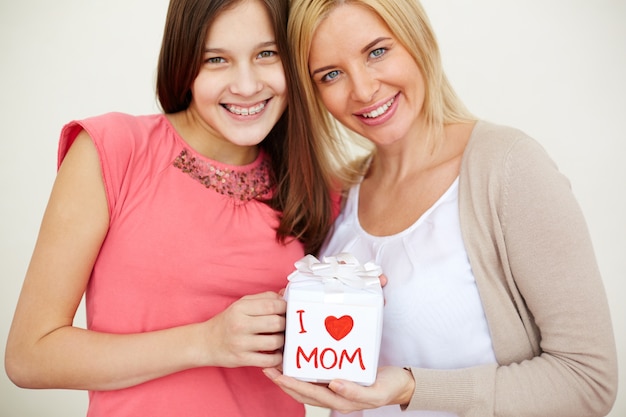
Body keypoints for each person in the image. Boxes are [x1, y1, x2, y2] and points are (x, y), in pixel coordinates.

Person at [263, 0, 619, 416]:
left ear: (418, 40)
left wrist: (410, 388)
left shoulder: (507, 167)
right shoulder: (341, 193)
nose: (362, 90)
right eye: (331, 74)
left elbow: (589, 380)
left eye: (377, 51)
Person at [4, 0, 338, 416]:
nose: (248, 85)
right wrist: (206, 342)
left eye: (266, 54)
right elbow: (29, 356)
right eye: (216, 59)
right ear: (185, 64)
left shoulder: (315, 185)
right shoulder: (114, 150)